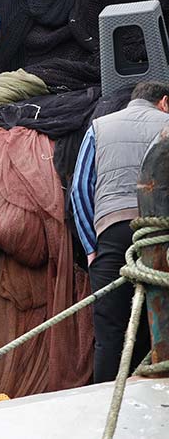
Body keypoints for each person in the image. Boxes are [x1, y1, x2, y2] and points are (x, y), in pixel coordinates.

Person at [69, 81, 169, 382]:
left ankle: (106, 405)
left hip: (112, 232)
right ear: (164, 102)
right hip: (160, 234)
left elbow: (79, 190)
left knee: (110, 330)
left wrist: (92, 247)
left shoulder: (99, 127)